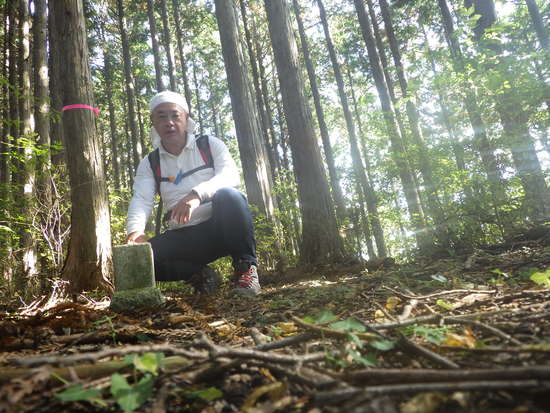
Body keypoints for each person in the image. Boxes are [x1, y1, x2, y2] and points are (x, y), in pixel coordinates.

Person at [126, 90, 260, 296]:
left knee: (230, 196)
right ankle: (201, 274)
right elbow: (142, 198)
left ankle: (246, 270)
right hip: (185, 234)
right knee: (141, 259)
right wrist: (135, 231)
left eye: (175, 115)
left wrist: (196, 195)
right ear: (153, 122)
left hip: (223, 226)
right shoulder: (150, 163)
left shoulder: (208, 145)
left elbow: (231, 175)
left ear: (186, 118)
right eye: (161, 116)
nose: (169, 122)